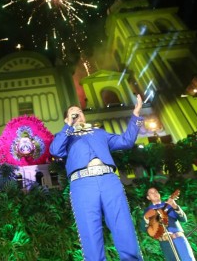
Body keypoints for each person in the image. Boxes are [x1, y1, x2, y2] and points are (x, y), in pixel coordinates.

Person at [49, 94, 145, 261]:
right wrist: (68, 127)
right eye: (73, 113)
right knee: (90, 233)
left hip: (109, 180)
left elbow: (126, 141)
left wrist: (135, 115)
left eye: (79, 111)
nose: (77, 114)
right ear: (66, 119)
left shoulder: (99, 132)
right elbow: (55, 150)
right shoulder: (65, 136)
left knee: (123, 226)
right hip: (82, 184)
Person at [142, 187, 196, 260]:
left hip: (178, 239)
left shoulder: (169, 205)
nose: (154, 194)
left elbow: (184, 219)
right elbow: (143, 228)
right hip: (164, 243)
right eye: (151, 193)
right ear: (148, 197)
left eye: (156, 191)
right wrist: (146, 218)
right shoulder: (147, 211)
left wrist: (175, 207)